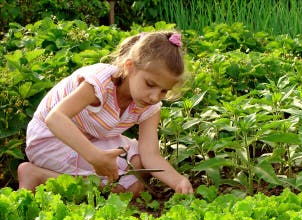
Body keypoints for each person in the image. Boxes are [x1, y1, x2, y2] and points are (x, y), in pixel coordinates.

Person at [18, 30, 193, 196]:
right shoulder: (100, 83)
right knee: (124, 189)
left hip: (91, 139)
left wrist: (178, 181)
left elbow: (150, 155)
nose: (155, 96)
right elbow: (55, 119)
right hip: (51, 141)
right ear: (130, 67)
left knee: (139, 162)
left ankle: (99, 183)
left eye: (164, 91)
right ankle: (37, 176)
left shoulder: (149, 106)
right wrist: (95, 157)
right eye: (150, 84)